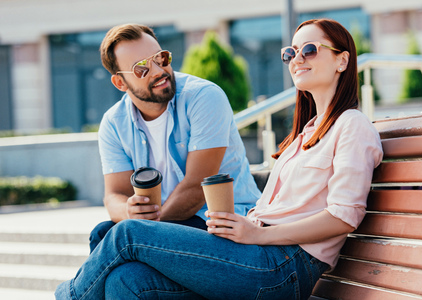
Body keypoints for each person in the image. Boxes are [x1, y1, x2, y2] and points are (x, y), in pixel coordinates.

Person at [55, 18, 383, 300]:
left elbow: (344, 216)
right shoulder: (307, 132)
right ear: (120, 82)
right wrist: (249, 228)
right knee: (123, 281)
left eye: (309, 50)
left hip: (283, 266)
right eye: (290, 52)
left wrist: (259, 234)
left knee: (127, 234)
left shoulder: (352, 125)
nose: (296, 58)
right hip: (255, 249)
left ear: (342, 61)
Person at [89, 24, 261, 252]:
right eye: (141, 69)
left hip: (217, 221)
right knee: (101, 234)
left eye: (161, 58)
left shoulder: (204, 97)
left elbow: (197, 189)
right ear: (120, 83)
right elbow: (115, 195)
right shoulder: (113, 122)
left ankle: (70, 290)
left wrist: (145, 230)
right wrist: (129, 212)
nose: (158, 71)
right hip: (164, 222)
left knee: (125, 255)